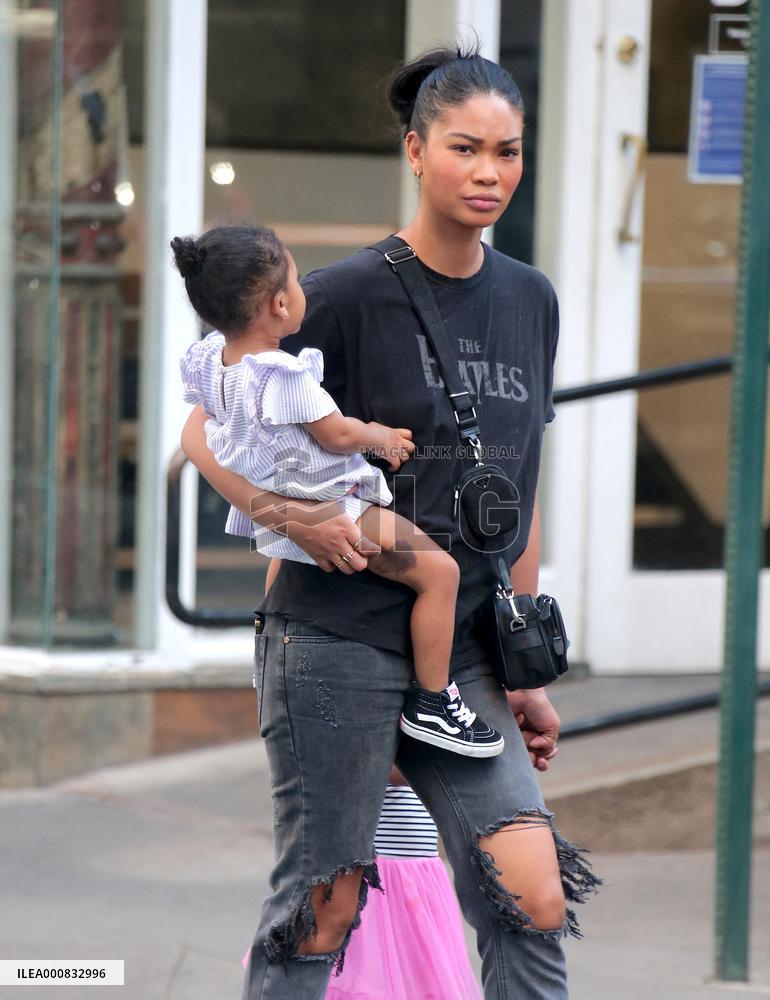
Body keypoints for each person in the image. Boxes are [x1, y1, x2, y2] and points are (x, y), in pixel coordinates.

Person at [182, 44, 600, 1000]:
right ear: (415, 151)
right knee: (325, 902)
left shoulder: (531, 300)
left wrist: (524, 667)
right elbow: (205, 424)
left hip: (468, 654)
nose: (490, 172)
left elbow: (514, 493)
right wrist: (281, 507)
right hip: (334, 640)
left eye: (509, 151)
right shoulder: (339, 295)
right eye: (465, 148)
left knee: (529, 892)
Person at [173, 225, 504, 757]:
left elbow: (203, 429)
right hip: (334, 506)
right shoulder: (284, 375)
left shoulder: (213, 362)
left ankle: (273, 666)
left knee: (282, 581)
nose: (304, 289)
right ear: (280, 303)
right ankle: (435, 700)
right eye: (298, 279)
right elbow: (337, 433)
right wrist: (384, 438)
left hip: (269, 509)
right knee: (441, 574)